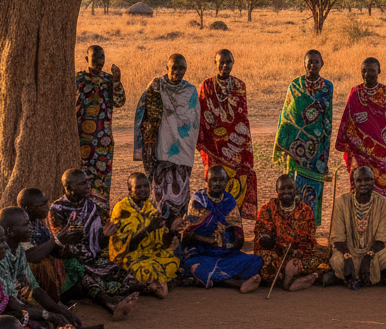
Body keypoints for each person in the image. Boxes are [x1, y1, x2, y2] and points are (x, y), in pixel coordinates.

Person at [49, 169, 141, 318]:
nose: (88, 186)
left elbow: (98, 245)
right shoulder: (58, 209)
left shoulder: (90, 206)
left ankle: (103, 295)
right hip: (71, 262)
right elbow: (61, 245)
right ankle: (110, 303)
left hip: (93, 259)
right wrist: (83, 237)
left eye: (87, 182)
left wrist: (104, 236)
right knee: (88, 278)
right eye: (82, 183)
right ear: (69, 188)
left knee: (127, 277)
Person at [0, 207, 95, 329]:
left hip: (15, 305)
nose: (31, 227)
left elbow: (35, 289)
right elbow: (9, 303)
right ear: (10, 231)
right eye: (26, 225)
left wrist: (62, 311)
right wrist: (50, 315)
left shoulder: (17, 250)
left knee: (47, 323)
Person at [134, 53, 200, 222]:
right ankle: (161, 222)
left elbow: (193, 121)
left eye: (182, 69)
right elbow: (144, 113)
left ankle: (177, 224)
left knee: (181, 183)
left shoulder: (190, 90)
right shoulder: (156, 86)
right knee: (160, 185)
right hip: (160, 147)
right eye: (174, 68)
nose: (178, 72)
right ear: (167, 67)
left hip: (183, 147)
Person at [273, 49, 335, 225]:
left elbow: (328, 119)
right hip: (295, 149)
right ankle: (289, 227)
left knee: (312, 189)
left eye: (316, 62)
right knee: (291, 189)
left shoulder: (327, 87)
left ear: (322, 64)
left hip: (317, 149)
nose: (312, 65)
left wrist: (324, 149)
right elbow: (287, 116)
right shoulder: (295, 85)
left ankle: (309, 229)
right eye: (309, 61)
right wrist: (284, 144)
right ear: (304, 63)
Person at [180, 165, 263, 292]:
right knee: (194, 266)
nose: (217, 183)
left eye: (221, 180)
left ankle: (219, 277)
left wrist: (228, 246)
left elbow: (239, 235)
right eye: (214, 180)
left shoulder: (229, 201)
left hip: (225, 254)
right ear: (207, 181)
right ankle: (237, 283)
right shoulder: (198, 200)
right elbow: (187, 234)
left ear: (226, 182)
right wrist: (208, 241)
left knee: (256, 261)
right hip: (202, 253)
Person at [197, 48, 258, 220]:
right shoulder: (206, 85)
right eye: (221, 62)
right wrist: (208, 144)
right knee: (215, 182)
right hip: (213, 147)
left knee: (238, 182)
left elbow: (242, 118)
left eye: (228, 62)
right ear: (215, 63)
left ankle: (233, 224)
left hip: (236, 145)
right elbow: (201, 117)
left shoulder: (239, 85)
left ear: (233, 63)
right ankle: (213, 223)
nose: (225, 65)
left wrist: (245, 146)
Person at [335, 57, 386, 200]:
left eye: (371, 71)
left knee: (382, 197)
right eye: (364, 71)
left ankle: (380, 223)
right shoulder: (355, 93)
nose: (367, 74)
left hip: (382, 155)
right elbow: (347, 121)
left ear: (379, 71)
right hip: (359, 154)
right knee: (359, 194)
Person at [108, 171, 182, 297]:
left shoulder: (150, 208)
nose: (143, 190)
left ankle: (154, 285)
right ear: (129, 190)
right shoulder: (122, 209)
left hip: (149, 254)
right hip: (129, 256)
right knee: (142, 270)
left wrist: (172, 232)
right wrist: (148, 229)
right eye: (138, 187)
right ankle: (157, 285)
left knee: (173, 262)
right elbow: (124, 248)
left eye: (146, 186)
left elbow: (161, 245)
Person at [76, 44, 126, 214]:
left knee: (103, 177)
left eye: (102, 58)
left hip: (104, 138)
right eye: (95, 58)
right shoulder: (79, 79)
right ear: (86, 59)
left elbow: (119, 102)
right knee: (83, 178)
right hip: (82, 138)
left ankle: (101, 214)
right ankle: (82, 213)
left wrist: (118, 80)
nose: (99, 61)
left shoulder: (109, 80)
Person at [327, 166, 386, 288]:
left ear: (374, 181)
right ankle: (371, 276)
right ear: (353, 182)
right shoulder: (342, 202)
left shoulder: (383, 203)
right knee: (338, 261)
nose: (363, 184)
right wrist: (347, 257)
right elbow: (338, 239)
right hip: (348, 251)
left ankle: (345, 277)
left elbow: (382, 239)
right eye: (359, 180)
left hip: (373, 252)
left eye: (367, 180)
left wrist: (368, 257)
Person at [254, 174, 324, 291]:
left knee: (324, 254)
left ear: (295, 190)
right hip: (275, 252)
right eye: (282, 189)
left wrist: (296, 251)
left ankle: (285, 276)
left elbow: (309, 239)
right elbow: (261, 232)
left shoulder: (305, 211)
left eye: (290, 188)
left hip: (298, 253)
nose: (286, 191)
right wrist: (268, 240)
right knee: (263, 259)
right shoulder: (268, 208)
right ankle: (294, 276)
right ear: (277, 191)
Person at [17, 187, 72, 302]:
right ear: (28, 208)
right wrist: (56, 240)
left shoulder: (38, 223)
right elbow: (33, 257)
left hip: (46, 268)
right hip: (30, 275)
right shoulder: (21, 228)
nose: (46, 207)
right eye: (41, 205)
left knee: (75, 261)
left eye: (46, 203)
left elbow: (49, 246)